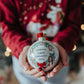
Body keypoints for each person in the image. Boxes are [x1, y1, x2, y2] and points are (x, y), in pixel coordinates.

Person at [0, 0, 81, 84]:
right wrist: (22, 47)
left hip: (57, 58)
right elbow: (8, 28)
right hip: (24, 59)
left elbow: (73, 25)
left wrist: (60, 43)